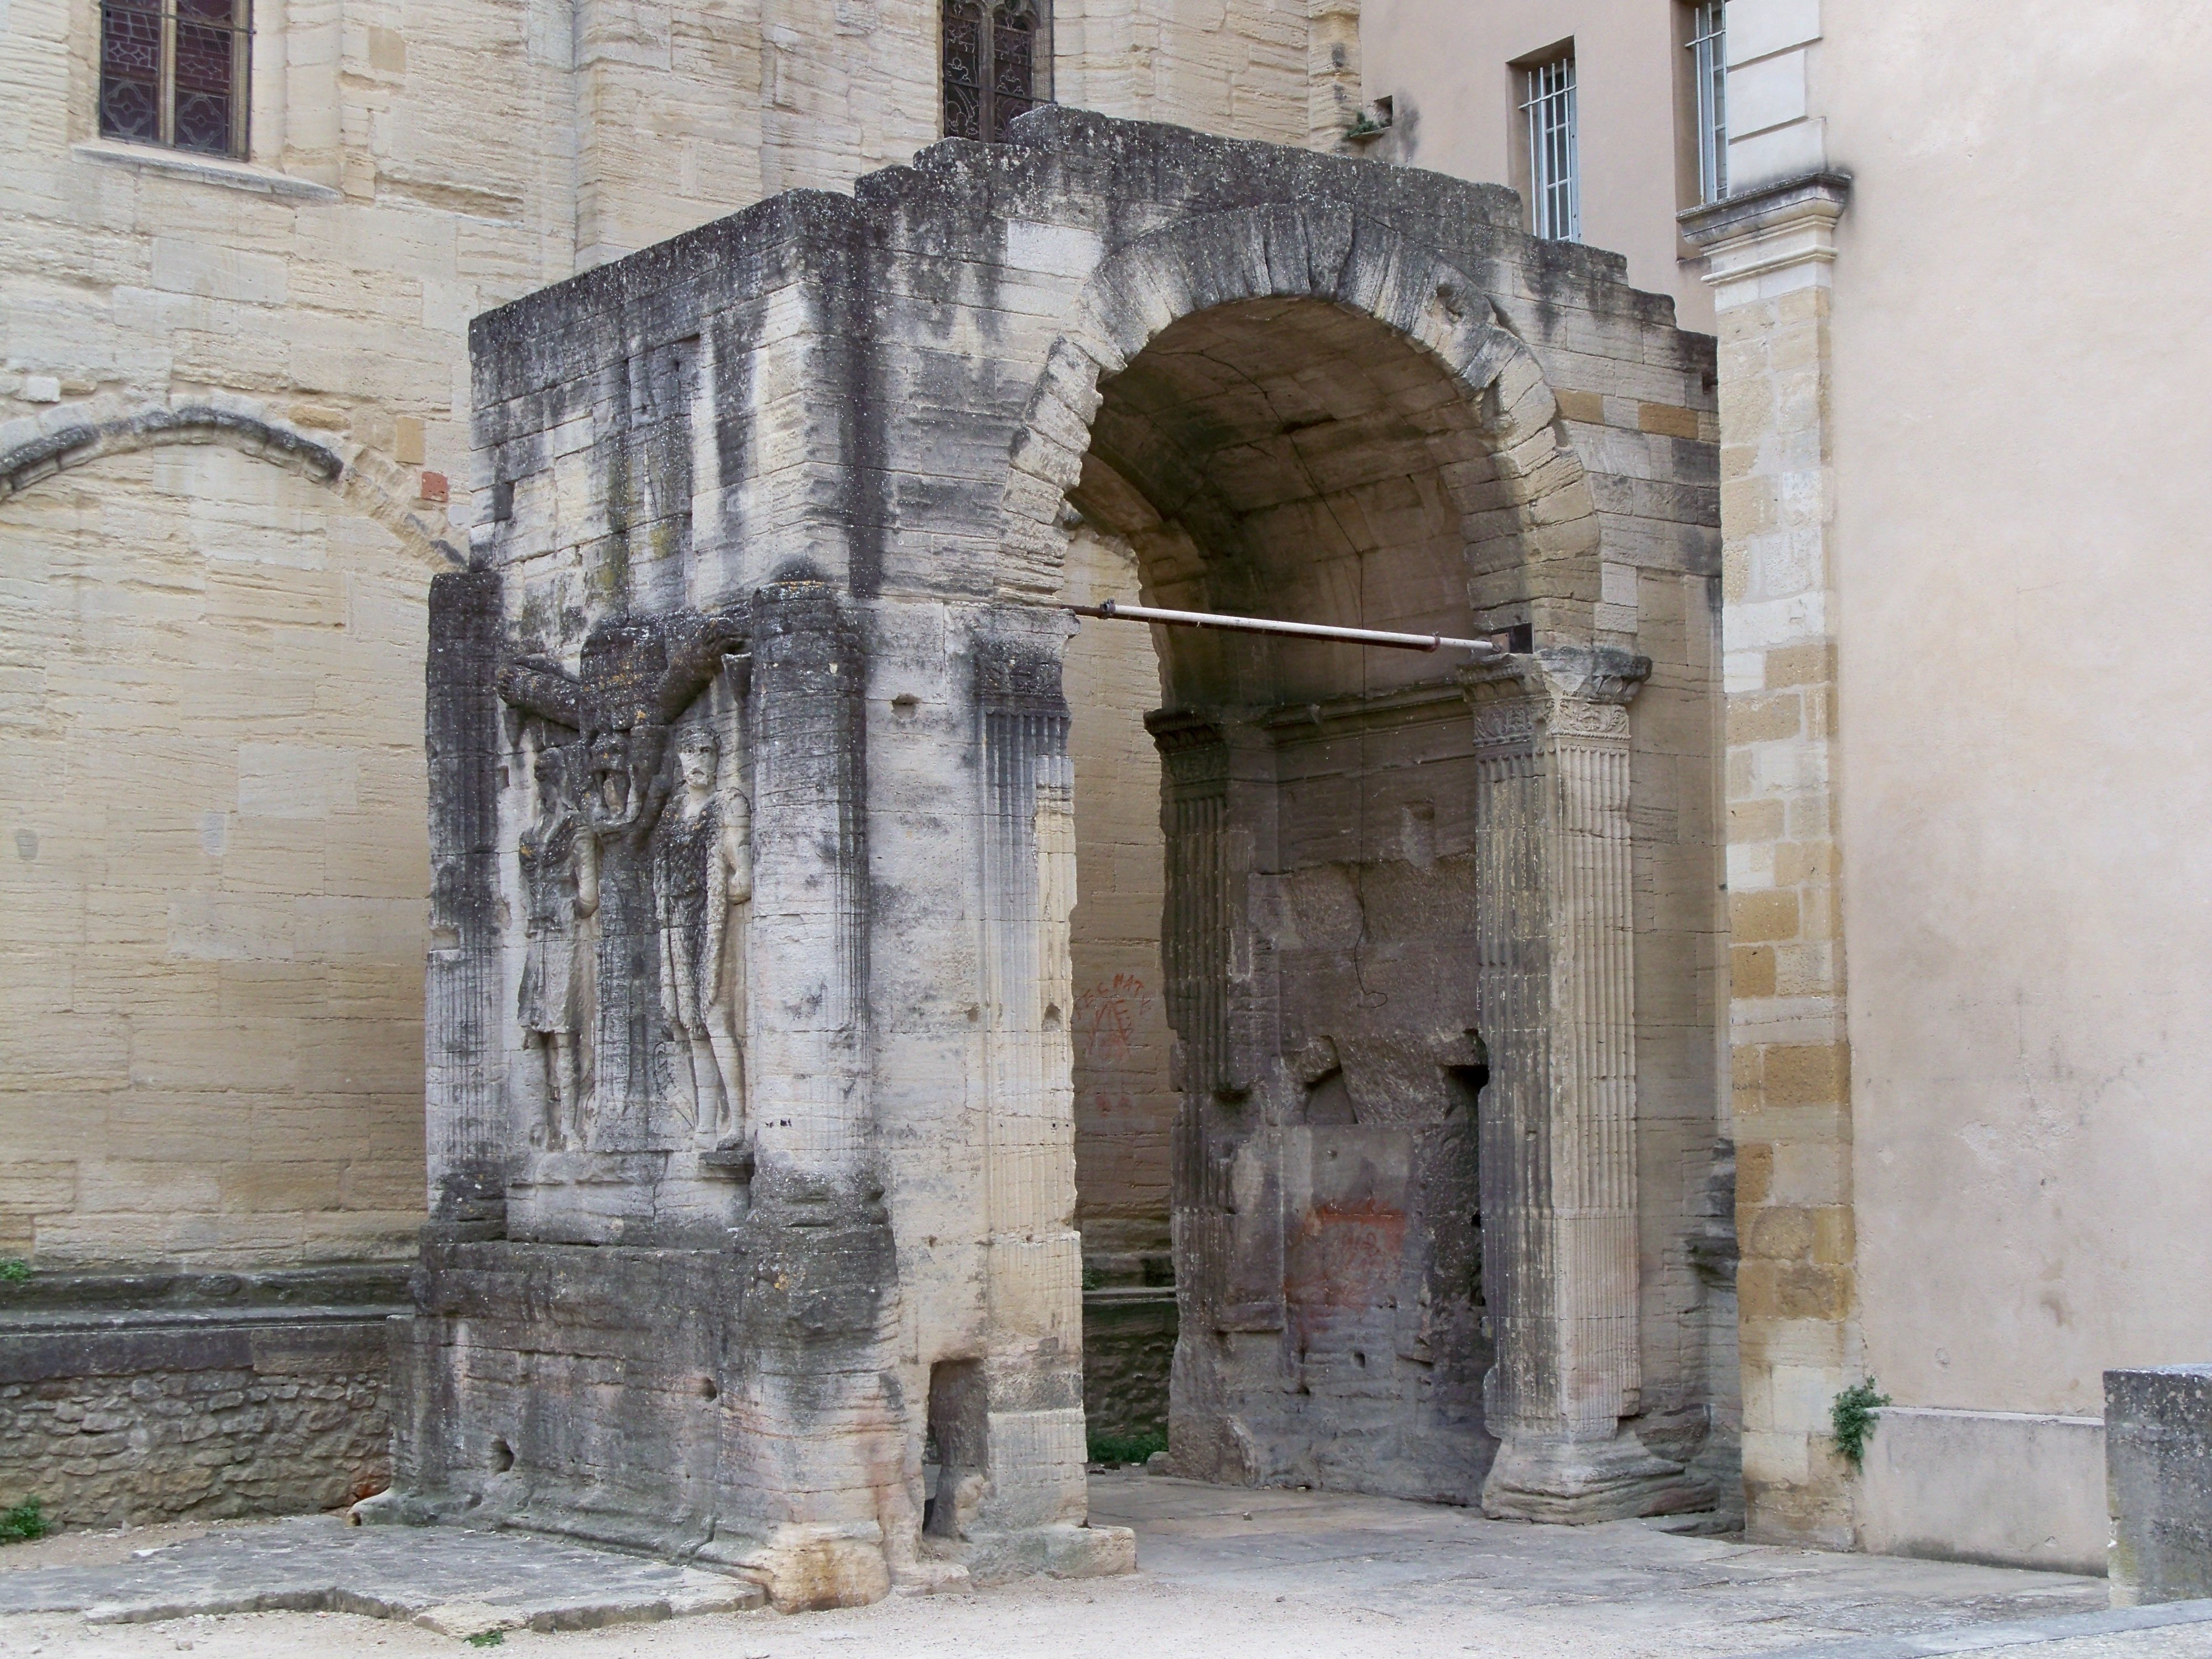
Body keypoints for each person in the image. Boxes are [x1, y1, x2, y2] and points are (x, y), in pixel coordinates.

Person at [653, 726, 750, 1149]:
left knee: (715, 1017)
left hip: (714, 922)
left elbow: (741, 866)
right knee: (694, 1024)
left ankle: (741, 1120)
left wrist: (740, 872)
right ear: (679, 759)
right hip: (678, 921)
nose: (698, 760)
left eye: (706, 751)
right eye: (690, 752)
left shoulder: (727, 803)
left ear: (717, 757)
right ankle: (707, 1123)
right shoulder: (673, 814)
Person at [517, 745, 589, 1145]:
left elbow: (589, 895)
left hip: (565, 936)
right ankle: (539, 1124)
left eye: (550, 774)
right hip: (538, 937)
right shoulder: (530, 835)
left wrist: (567, 907)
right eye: (540, 774)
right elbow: (525, 894)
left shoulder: (575, 827)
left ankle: (568, 1128)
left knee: (563, 1031)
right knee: (532, 1030)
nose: (545, 782)